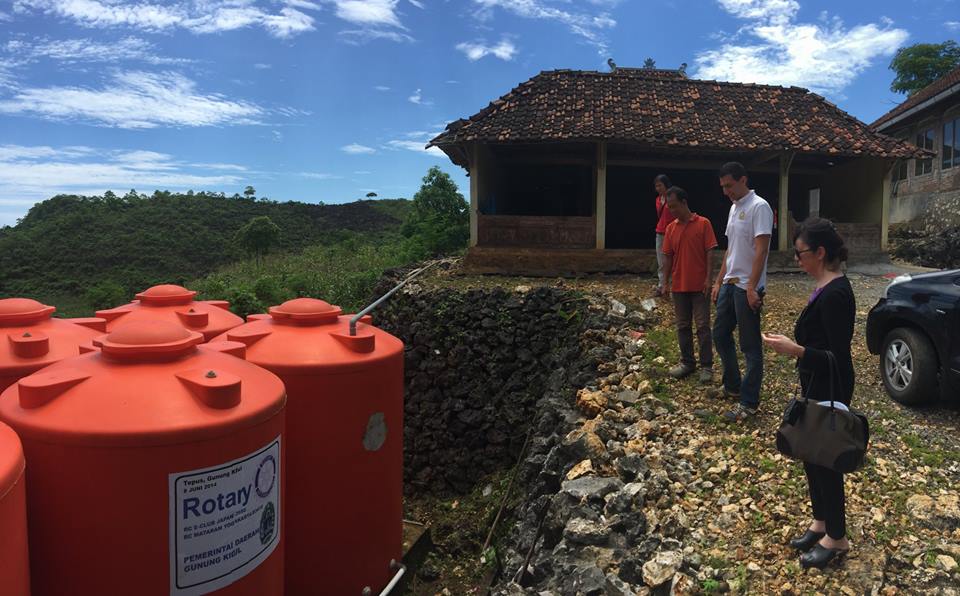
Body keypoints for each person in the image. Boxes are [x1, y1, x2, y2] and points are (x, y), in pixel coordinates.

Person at [762, 218, 855, 570]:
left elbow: (838, 357)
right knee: (810, 453)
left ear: (820, 252)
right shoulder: (823, 287)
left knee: (826, 458)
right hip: (816, 382)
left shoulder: (836, 294)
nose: (797, 259)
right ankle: (821, 522)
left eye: (800, 253)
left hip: (831, 385)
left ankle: (837, 537)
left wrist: (795, 350)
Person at [711, 162, 773, 423]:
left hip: (746, 286)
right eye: (723, 187)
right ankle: (733, 385)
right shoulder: (734, 207)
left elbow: (762, 249)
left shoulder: (760, 207)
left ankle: (749, 402)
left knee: (750, 345)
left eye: (729, 186)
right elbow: (731, 248)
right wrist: (718, 281)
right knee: (720, 333)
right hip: (730, 282)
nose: (726, 192)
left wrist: (751, 287)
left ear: (743, 180)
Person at [661, 186, 718, 384]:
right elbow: (668, 257)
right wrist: (664, 282)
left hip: (700, 285)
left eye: (674, 206)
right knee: (682, 326)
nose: (672, 211)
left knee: (703, 326)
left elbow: (710, 252)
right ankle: (687, 362)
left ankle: (706, 366)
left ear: (684, 203)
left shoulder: (703, 224)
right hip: (679, 285)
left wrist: (709, 278)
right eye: (669, 207)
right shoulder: (670, 228)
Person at [653, 174, 677, 297]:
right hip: (661, 231)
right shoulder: (658, 200)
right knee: (661, 260)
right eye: (656, 186)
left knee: (674, 259)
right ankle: (662, 285)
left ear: (666, 184)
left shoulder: (673, 197)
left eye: (660, 185)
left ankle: (674, 285)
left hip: (673, 232)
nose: (658, 188)